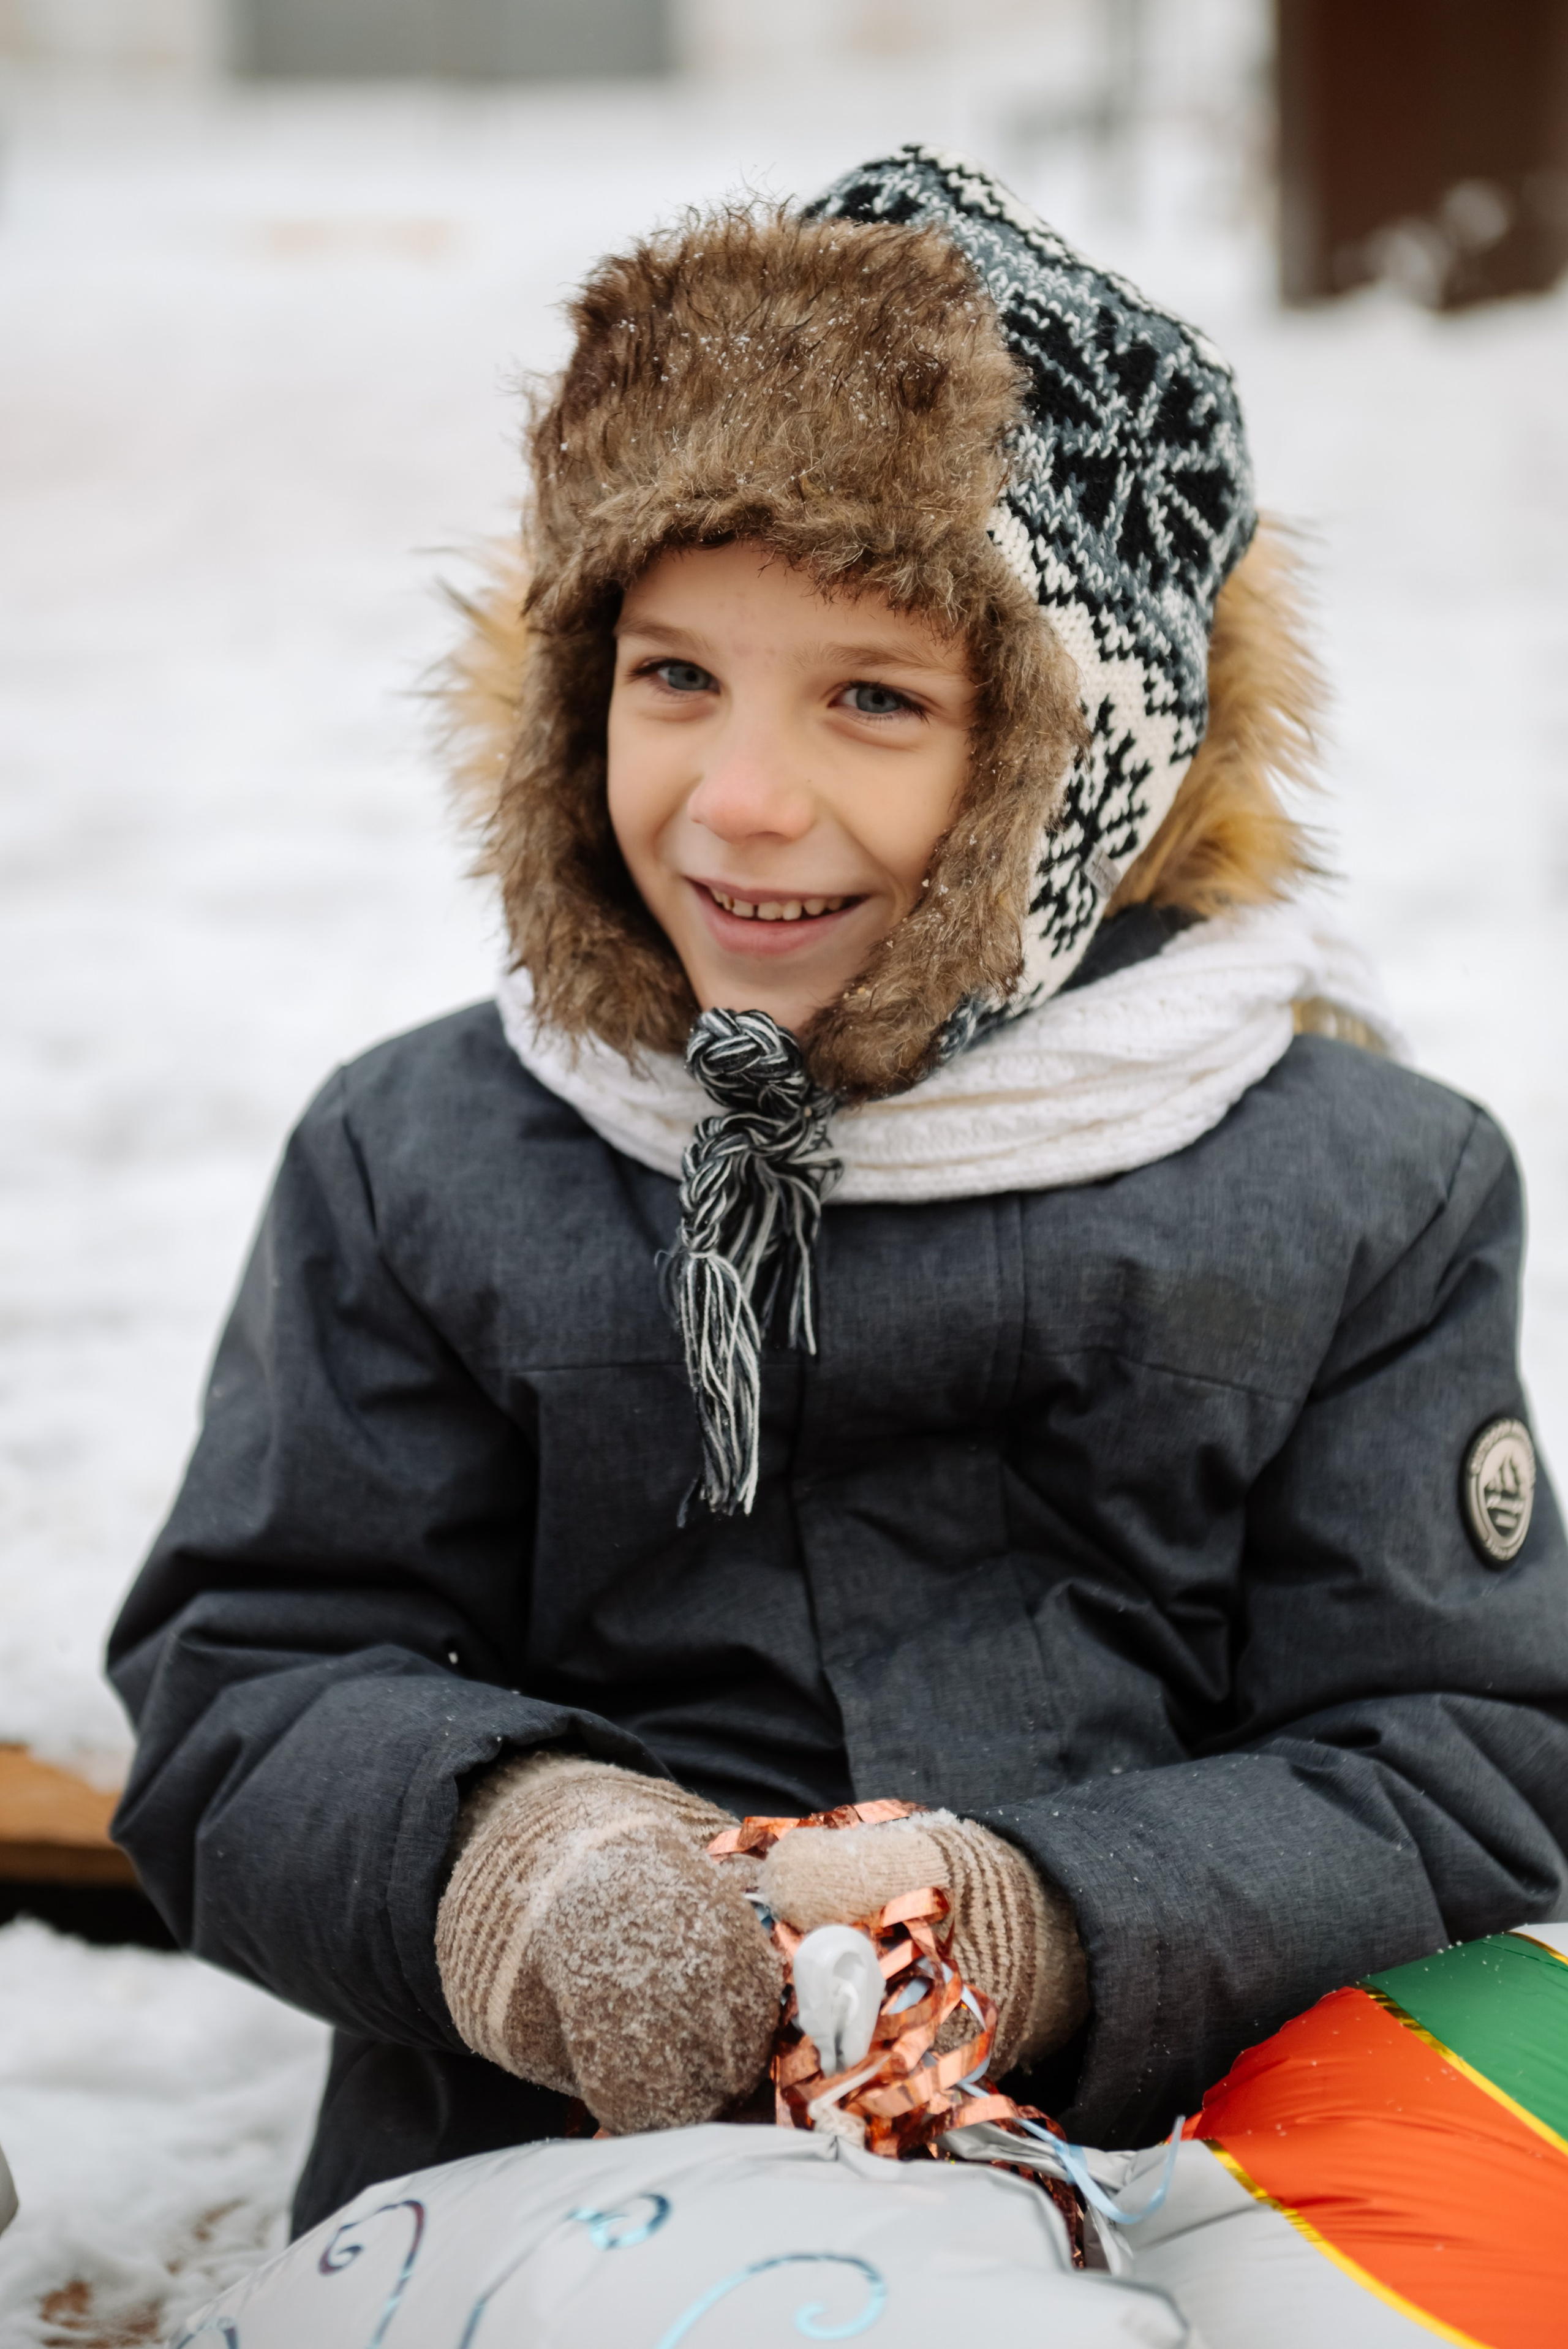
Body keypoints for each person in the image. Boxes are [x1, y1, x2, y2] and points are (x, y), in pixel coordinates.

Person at [107, 148, 1568, 2236]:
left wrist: (1038, 1918)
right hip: (557, 2189)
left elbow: (1449, 1758)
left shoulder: (1358, 1191)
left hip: (1178, 2168)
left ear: (1082, 768)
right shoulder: (430, 1159)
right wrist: (515, 1867)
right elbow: (254, 1679)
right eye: (674, 675)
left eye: (873, 698)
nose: (744, 799)